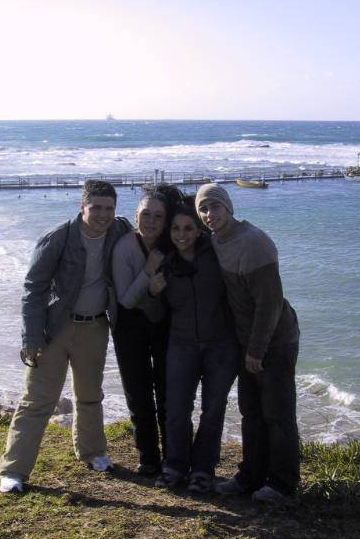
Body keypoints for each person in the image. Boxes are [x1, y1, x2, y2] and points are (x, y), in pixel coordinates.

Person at [0, 180, 132, 493]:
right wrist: (31, 338)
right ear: (82, 207)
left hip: (95, 327)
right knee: (38, 400)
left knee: (90, 394)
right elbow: (33, 288)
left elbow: (148, 231)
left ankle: (93, 452)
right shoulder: (58, 237)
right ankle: (13, 470)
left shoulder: (119, 230)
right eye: (96, 208)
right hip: (54, 330)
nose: (103, 215)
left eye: (109, 208)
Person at [195, 183, 301, 503]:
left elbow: (270, 303)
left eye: (215, 206)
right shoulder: (216, 239)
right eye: (203, 209)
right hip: (246, 339)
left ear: (229, 207)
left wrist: (257, 349)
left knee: (277, 414)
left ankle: (282, 484)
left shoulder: (253, 242)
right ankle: (251, 476)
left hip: (274, 340)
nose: (209, 214)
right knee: (251, 412)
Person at [147, 204, 239, 493]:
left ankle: (203, 470)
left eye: (188, 228)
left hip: (220, 345)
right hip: (181, 344)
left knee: (213, 410)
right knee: (176, 409)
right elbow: (156, 315)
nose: (181, 234)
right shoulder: (166, 264)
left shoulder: (216, 255)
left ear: (199, 230)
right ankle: (175, 466)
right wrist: (152, 292)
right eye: (176, 228)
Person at [110, 189, 175, 475]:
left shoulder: (172, 243)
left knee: (168, 392)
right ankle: (148, 457)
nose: (151, 221)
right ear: (136, 216)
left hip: (163, 323)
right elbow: (126, 300)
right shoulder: (124, 247)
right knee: (138, 393)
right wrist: (148, 273)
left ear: (166, 220)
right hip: (129, 324)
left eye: (158, 216)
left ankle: (174, 456)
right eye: (145, 214)